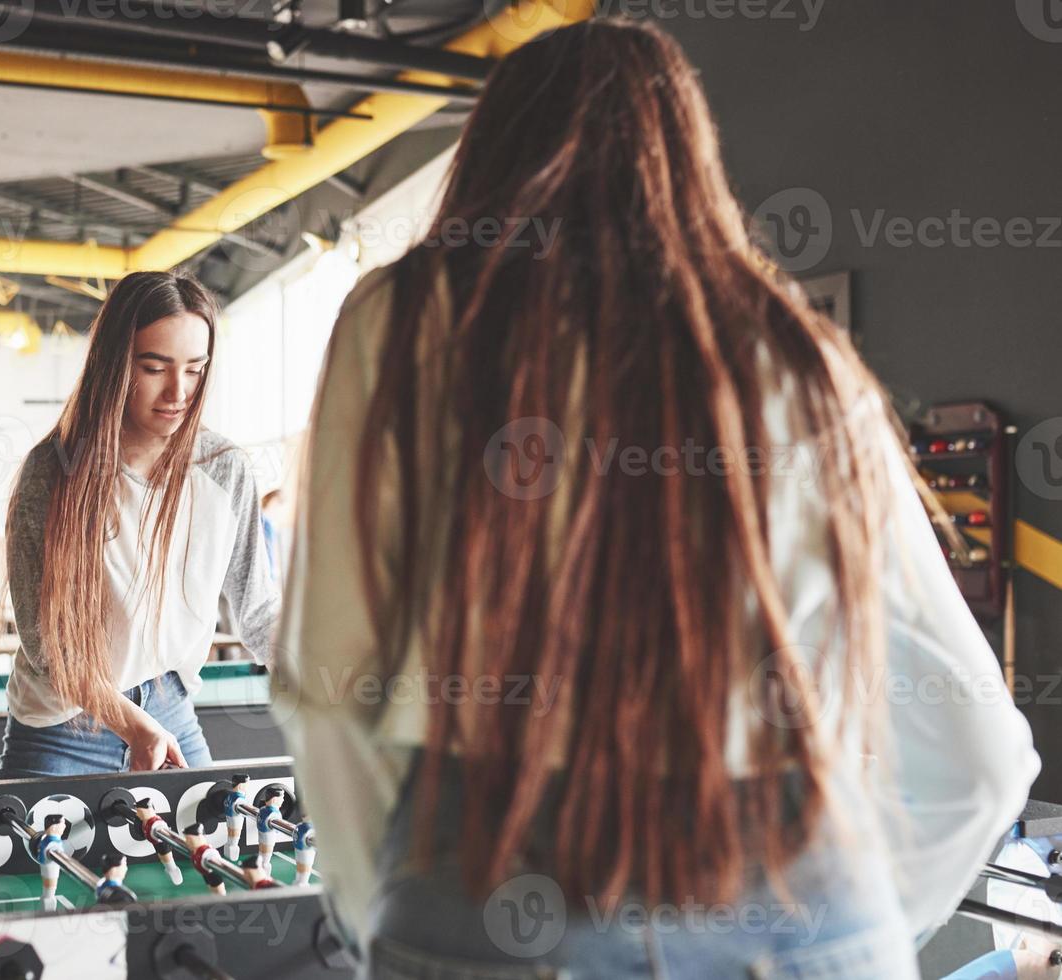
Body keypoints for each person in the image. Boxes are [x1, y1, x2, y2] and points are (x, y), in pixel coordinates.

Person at [276, 17, 1039, 980]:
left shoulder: (401, 321)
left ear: (491, 155)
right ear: (686, 154)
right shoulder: (797, 354)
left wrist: (378, 904)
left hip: (488, 899)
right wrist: (857, 925)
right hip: (799, 905)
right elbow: (981, 760)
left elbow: (330, 680)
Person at [0, 271, 278, 778]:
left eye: (196, 369)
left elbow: (258, 609)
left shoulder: (224, 467)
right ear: (114, 365)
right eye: (154, 367)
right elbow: (48, 646)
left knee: (205, 857)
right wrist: (133, 726)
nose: (178, 391)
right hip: (65, 727)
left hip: (171, 710)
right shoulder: (54, 470)